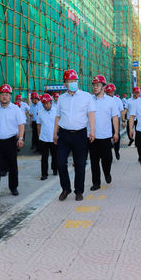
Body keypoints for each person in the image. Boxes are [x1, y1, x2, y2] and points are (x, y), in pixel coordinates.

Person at [53, 69, 96, 201]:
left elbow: (91, 114)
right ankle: (66, 188)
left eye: (74, 80)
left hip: (80, 134)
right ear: (65, 83)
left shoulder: (86, 97)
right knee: (60, 162)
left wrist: (92, 131)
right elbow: (58, 116)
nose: (73, 83)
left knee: (80, 164)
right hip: (64, 134)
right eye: (70, 81)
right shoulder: (61, 98)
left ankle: (79, 191)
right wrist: (55, 133)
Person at [0, 84, 26, 200]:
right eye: (2, 94)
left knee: (12, 166)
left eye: (7, 94)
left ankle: (13, 187)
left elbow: (21, 125)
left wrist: (20, 138)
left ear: (10, 96)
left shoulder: (16, 109)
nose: (4, 96)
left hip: (11, 141)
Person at [88, 75, 119, 190]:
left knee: (107, 159)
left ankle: (107, 172)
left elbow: (115, 118)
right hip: (92, 136)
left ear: (103, 87)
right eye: (94, 85)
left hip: (105, 136)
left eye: (98, 85)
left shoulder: (111, 101)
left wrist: (116, 133)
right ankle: (96, 183)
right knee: (94, 161)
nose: (95, 87)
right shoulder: (89, 100)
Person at [37, 93, 57, 180]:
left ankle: (55, 169)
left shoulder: (56, 111)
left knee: (55, 155)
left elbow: (58, 123)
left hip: (54, 137)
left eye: (47, 103)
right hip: (44, 138)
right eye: (44, 104)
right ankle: (44, 174)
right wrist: (39, 135)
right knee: (44, 157)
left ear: (50, 102)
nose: (45, 105)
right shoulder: (40, 112)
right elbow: (38, 124)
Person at [105, 83, 125, 160]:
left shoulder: (117, 100)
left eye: (112, 92)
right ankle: (109, 151)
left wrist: (123, 121)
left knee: (116, 135)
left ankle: (117, 151)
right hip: (107, 120)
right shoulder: (104, 99)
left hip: (116, 119)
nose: (110, 93)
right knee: (107, 136)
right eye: (109, 92)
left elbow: (122, 111)